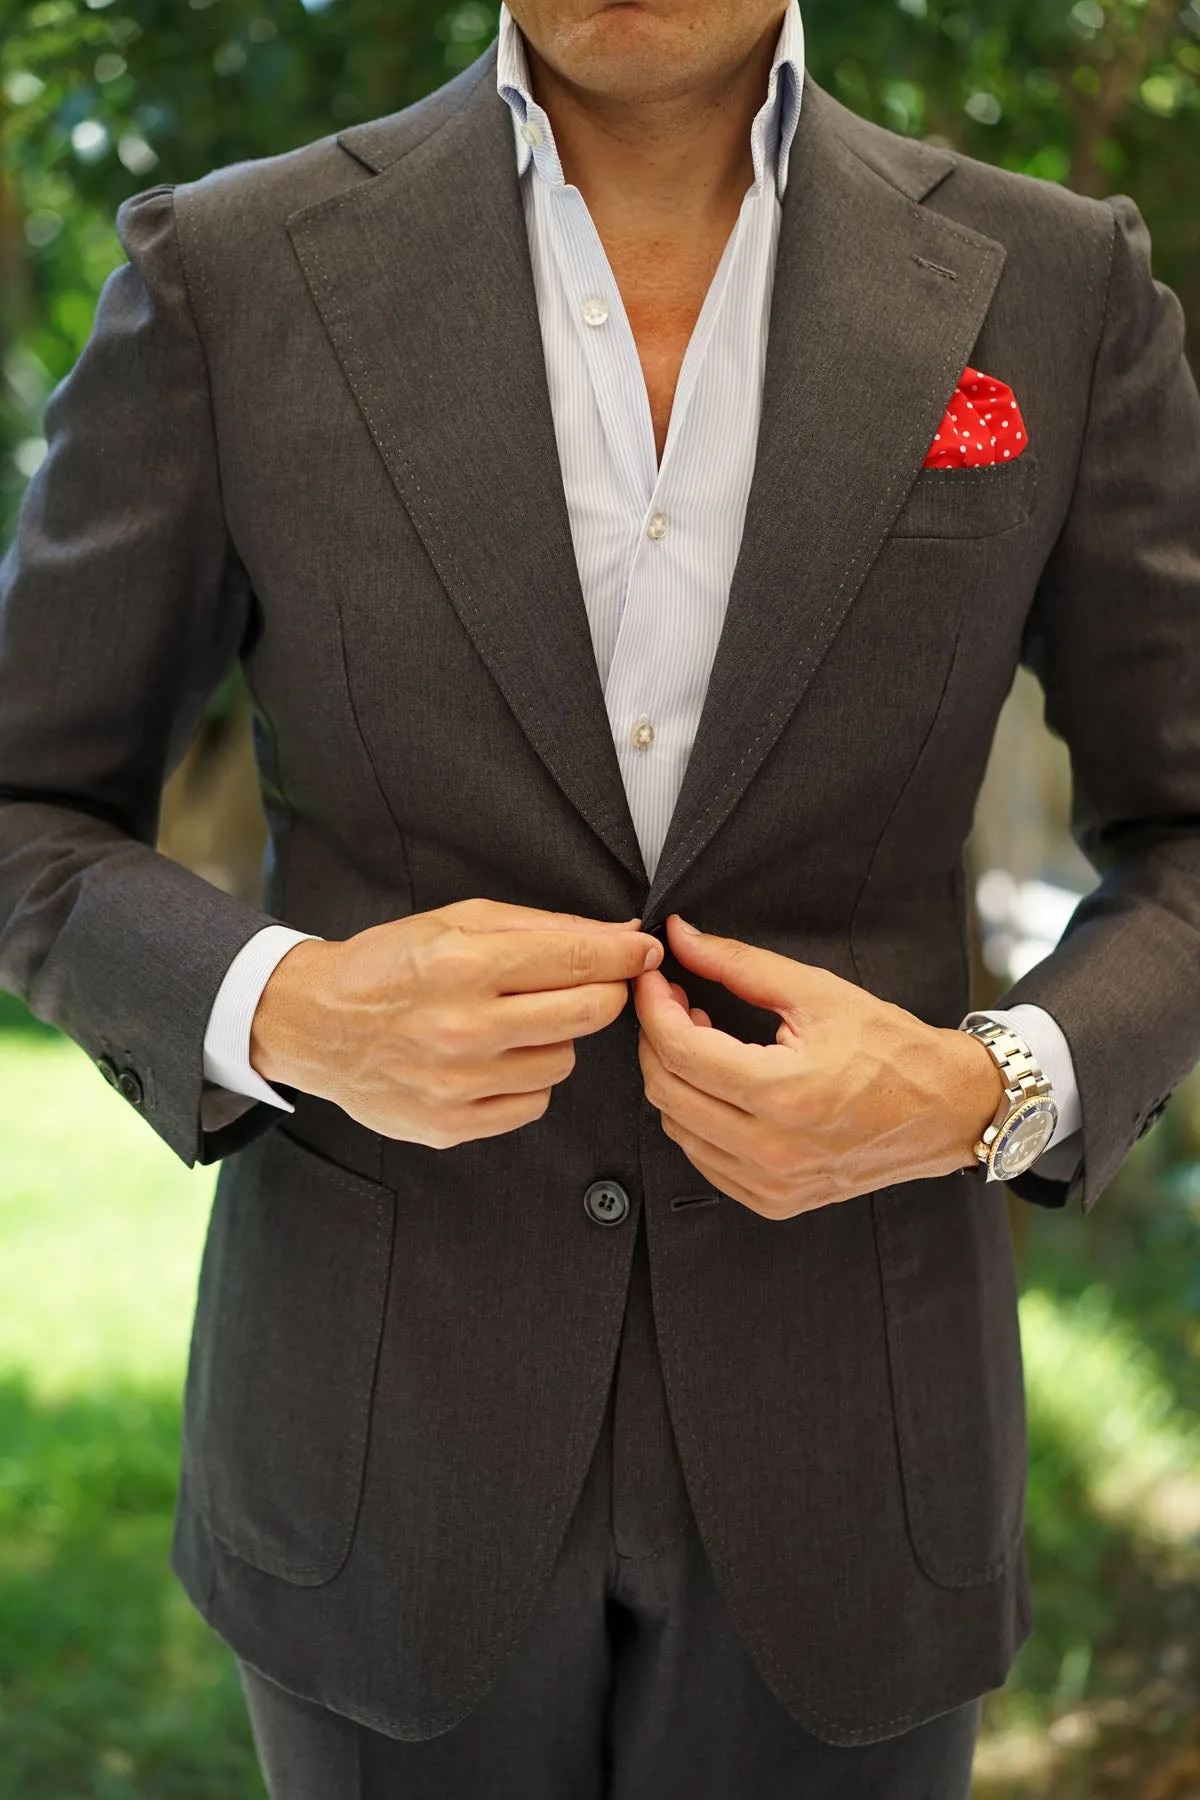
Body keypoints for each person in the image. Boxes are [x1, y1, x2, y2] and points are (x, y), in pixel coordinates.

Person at [2, 0, 1198, 1793]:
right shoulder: (227, 275)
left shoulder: (1052, 281)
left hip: (858, 1457)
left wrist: (990, 1084)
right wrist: (281, 1008)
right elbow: (30, 803)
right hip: (378, 1462)